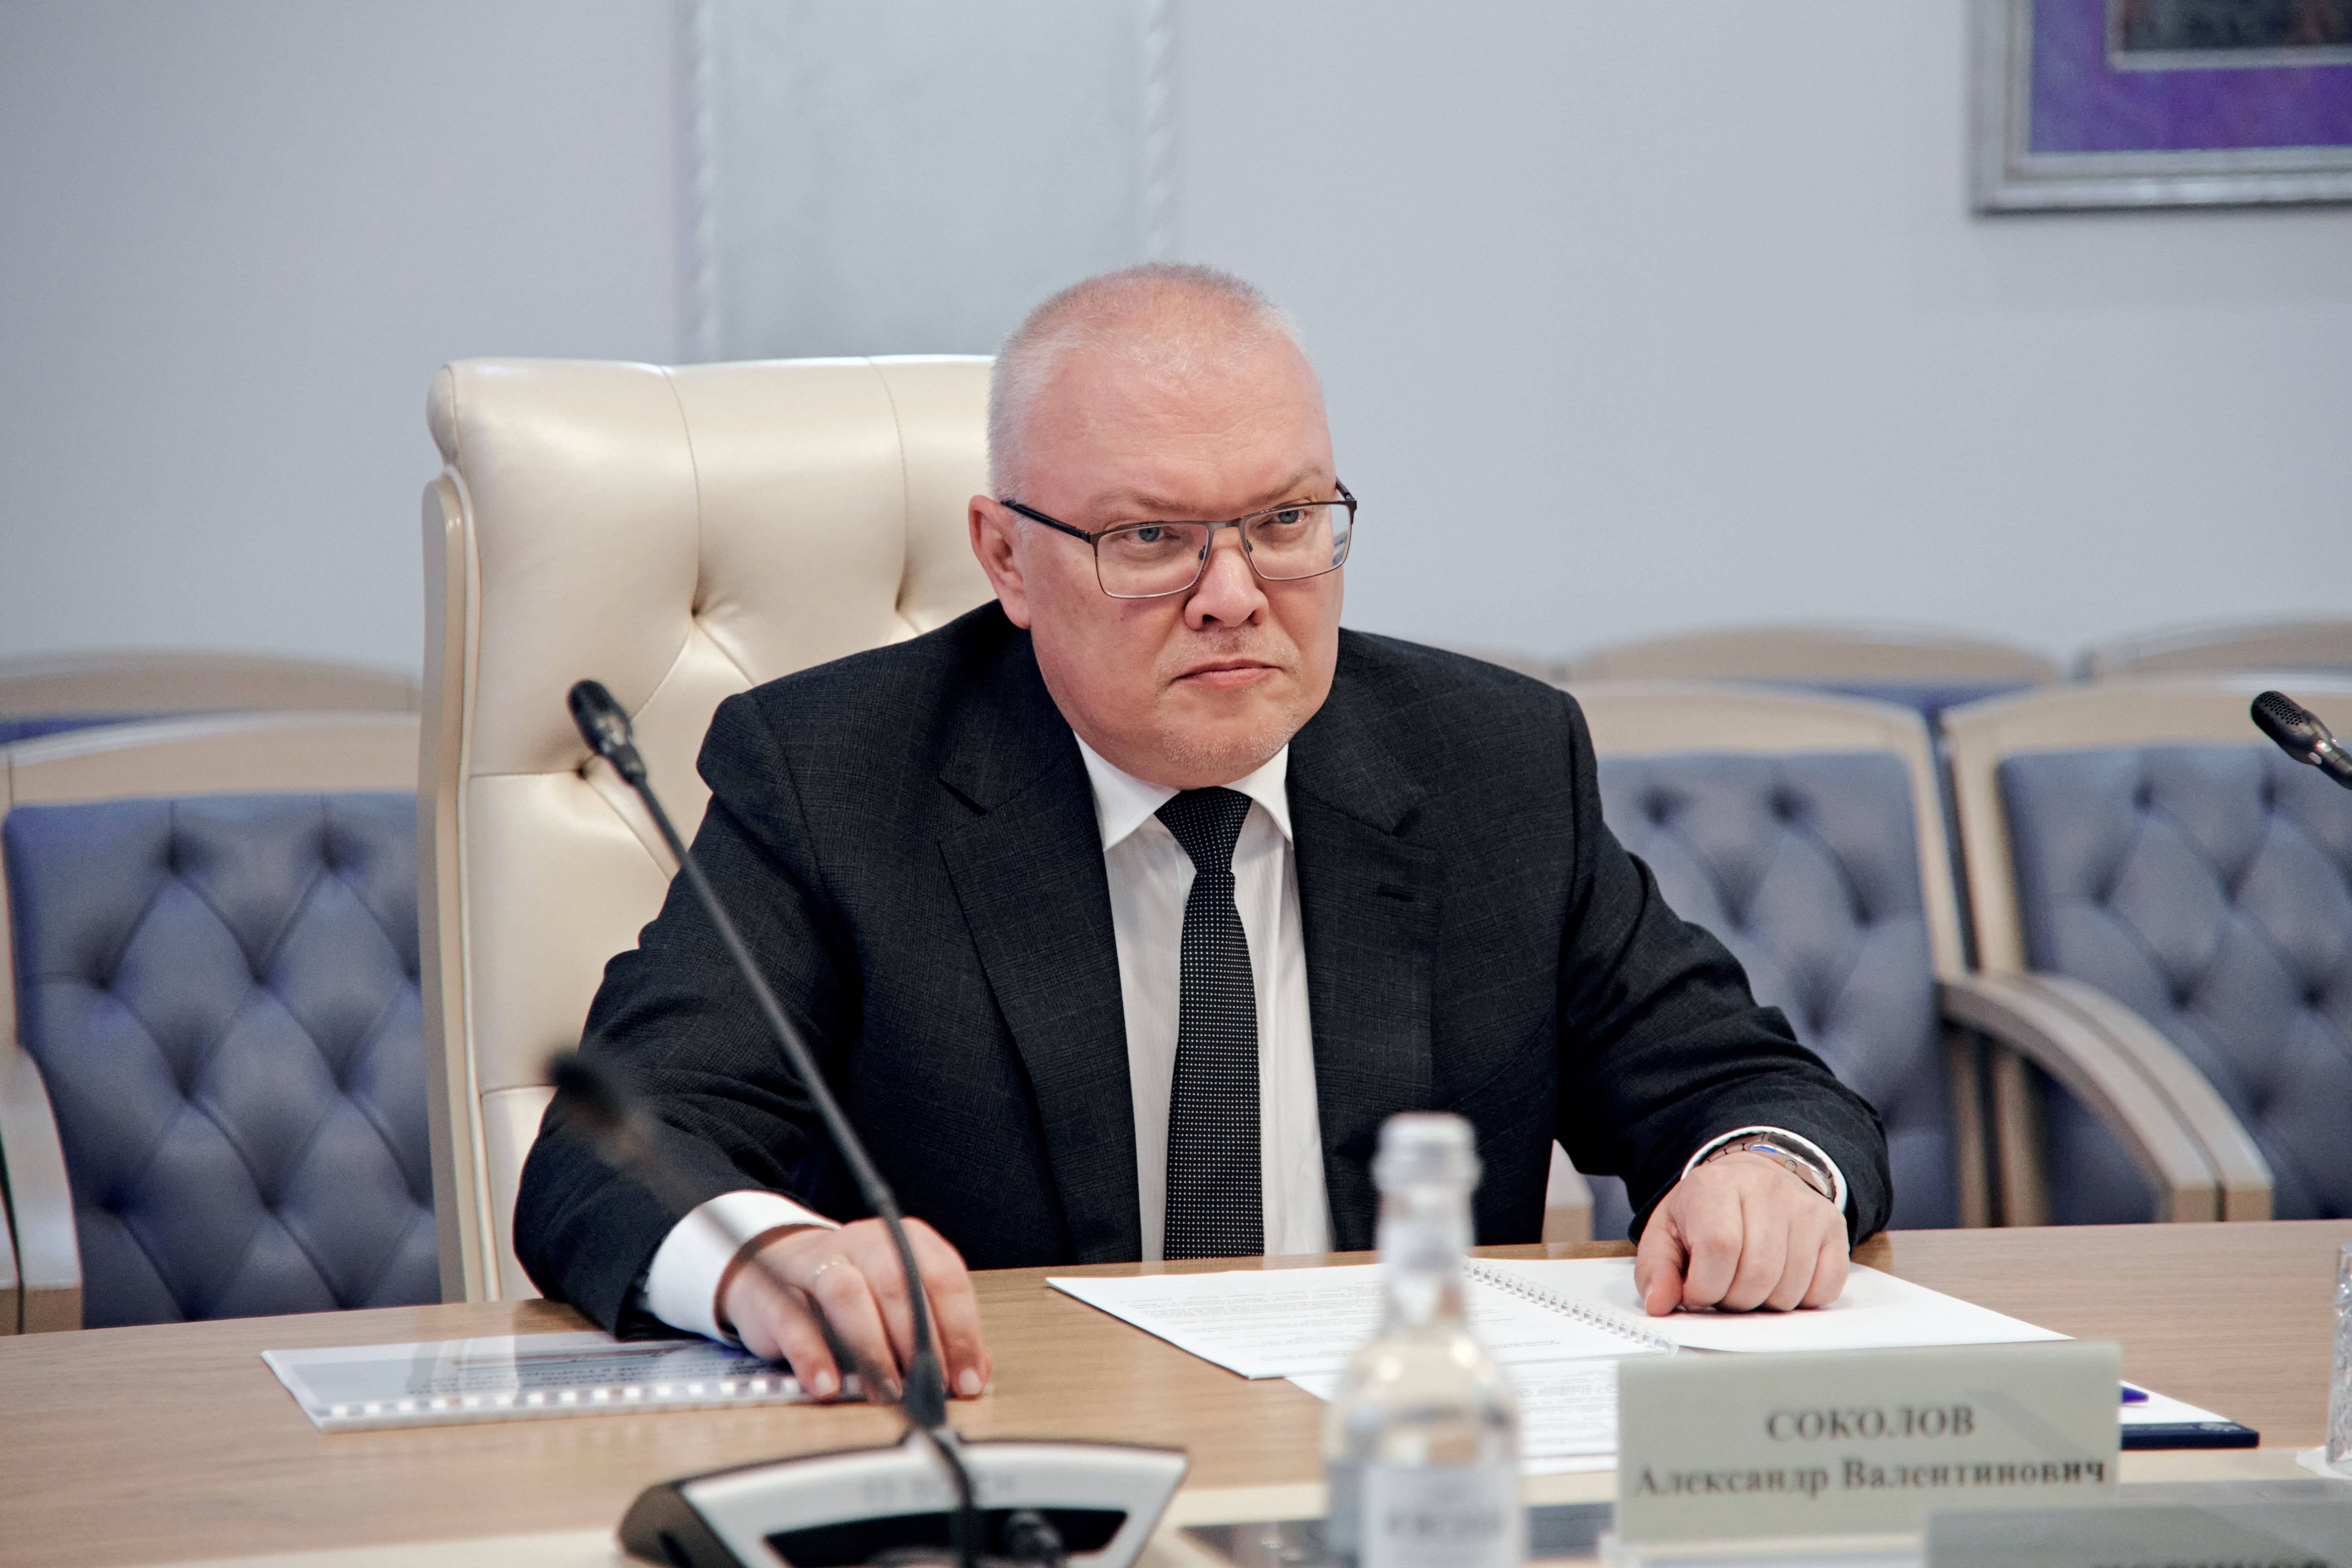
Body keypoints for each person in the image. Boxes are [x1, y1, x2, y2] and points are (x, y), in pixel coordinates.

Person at [515, 263, 1890, 1405]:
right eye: (1152, 537)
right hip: (1009, 1463)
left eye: (1286, 521)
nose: (1235, 593)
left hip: (1399, 1480)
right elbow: (618, 1138)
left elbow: (1750, 1084)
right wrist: (770, 1261)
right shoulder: (838, 776)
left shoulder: (1491, 767)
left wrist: (1762, 1171)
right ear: (1006, 557)